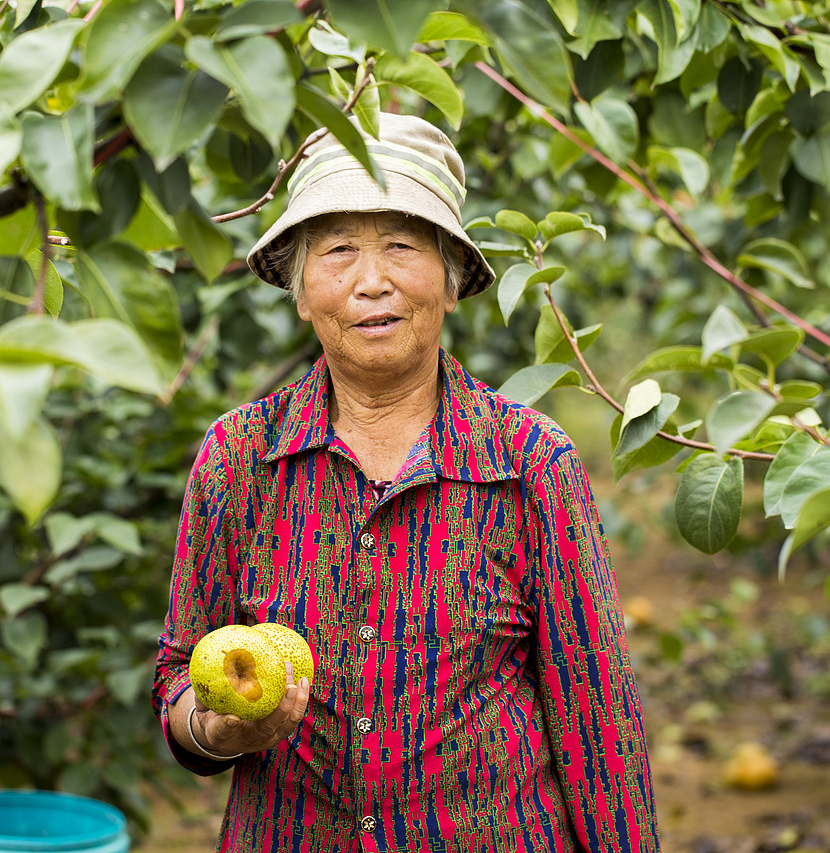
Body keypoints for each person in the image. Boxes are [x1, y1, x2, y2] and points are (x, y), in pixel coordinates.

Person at [153, 113, 658, 852]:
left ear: (452, 281)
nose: (372, 281)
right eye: (338, 251)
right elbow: (177, 675)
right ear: (300, 293)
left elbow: (596, 717)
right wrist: (217, 726)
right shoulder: (238, 458)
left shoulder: (530, 461)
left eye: (401, 245)